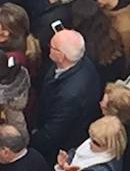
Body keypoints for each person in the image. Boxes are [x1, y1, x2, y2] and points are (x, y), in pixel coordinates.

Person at [31, 29, 102, 162]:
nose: (48, 48)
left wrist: (31, 144)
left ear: (61, 56)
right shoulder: (79, 62)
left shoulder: (71, 94)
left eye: (51, 47)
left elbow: (53, 132)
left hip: (59, 145)